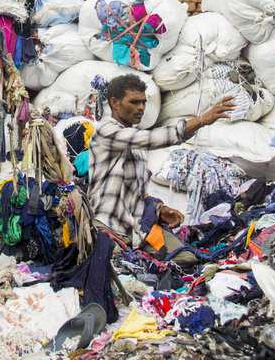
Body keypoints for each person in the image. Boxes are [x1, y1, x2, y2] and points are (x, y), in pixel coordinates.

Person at [87, 74, 236, 262]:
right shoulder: (106, 131)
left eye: (143, 102)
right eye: (134, 102)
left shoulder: (136, 143)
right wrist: (201, 120)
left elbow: (138, 191)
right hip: (107, 227)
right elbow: (152, 138)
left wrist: (160, 209)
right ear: (115, 103)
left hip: (137, 228)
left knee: (187, 259)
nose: (141, 108)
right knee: (121, 271)